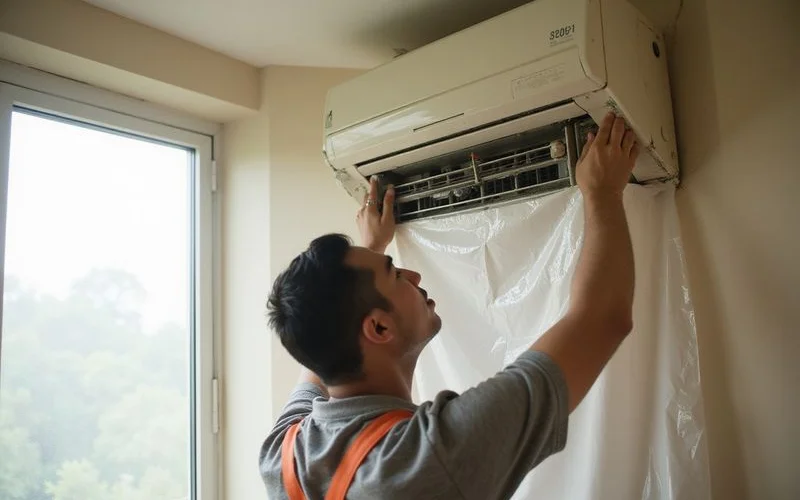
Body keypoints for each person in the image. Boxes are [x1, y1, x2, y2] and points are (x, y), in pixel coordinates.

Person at [259, 112, 639, 499]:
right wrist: (603, 193)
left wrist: (372, 253)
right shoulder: (432, 455)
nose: (415, 278)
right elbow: (602, 318)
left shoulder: (284, 453)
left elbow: (319, 349)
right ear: (377, 328)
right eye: (394, 273)